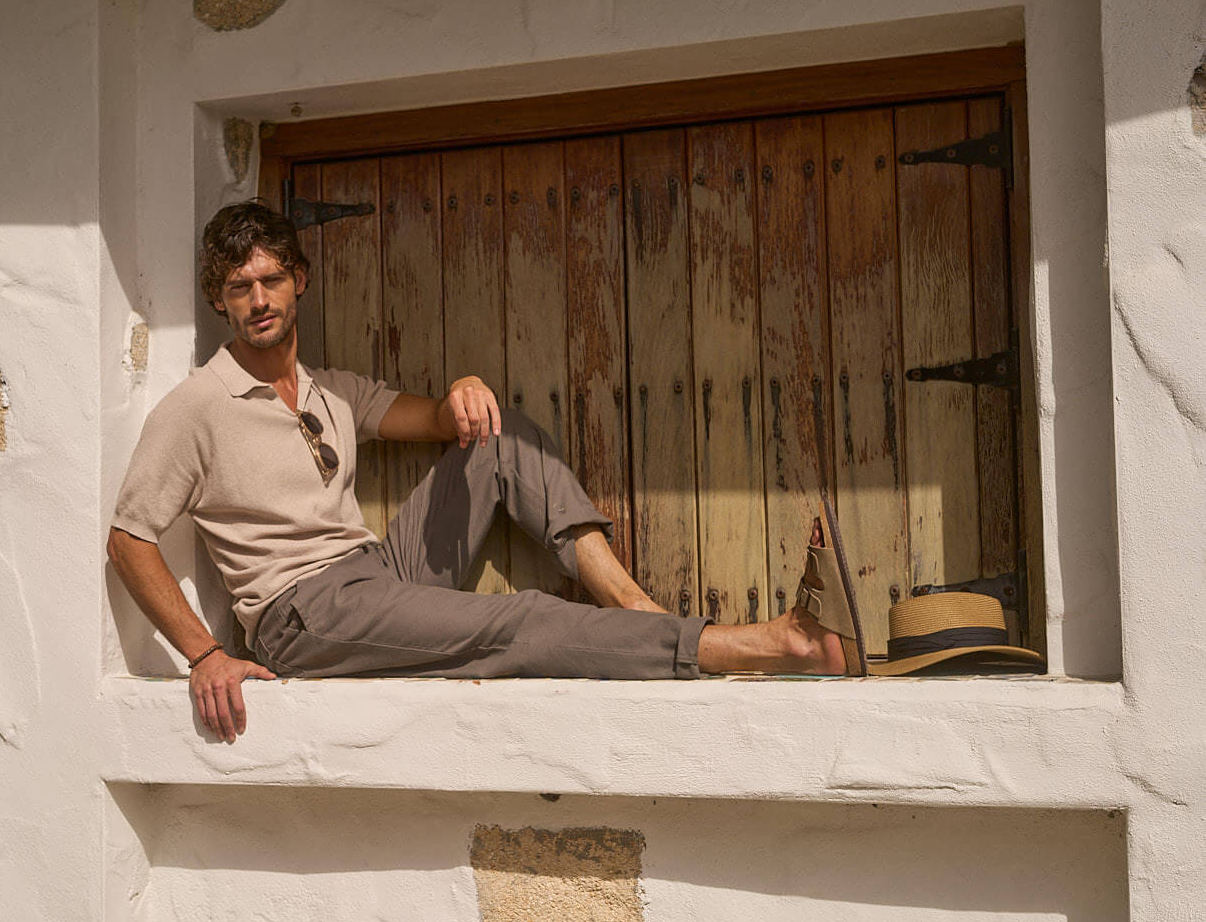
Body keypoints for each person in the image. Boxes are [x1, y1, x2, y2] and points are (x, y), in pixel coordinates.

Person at [107, 201, 864, 744]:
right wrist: (206, 654)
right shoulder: (196, 407)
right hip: (304, 615)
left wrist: (466, 390)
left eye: (270, 280)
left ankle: (633, 606)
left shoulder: (327, 388)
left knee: (498, 437)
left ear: (299, 279)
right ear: (219, 299)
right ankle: (769, 645)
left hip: (376, 573)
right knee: (521, 620)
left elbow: (443, 422)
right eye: (239, 288)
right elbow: (129, 539)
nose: (259, 300)